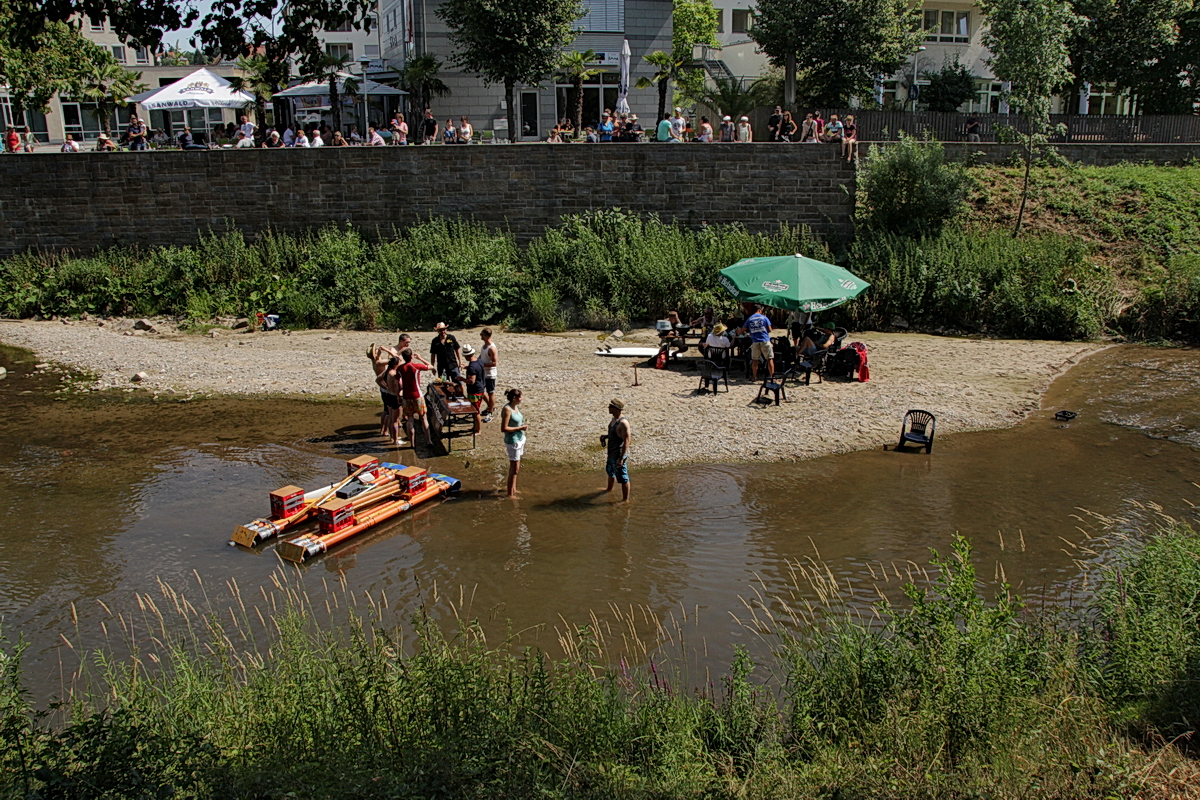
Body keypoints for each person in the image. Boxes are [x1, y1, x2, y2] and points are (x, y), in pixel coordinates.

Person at [397, 347, 433, 446]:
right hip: (417, 395)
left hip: (406, 396)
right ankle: (429, 441)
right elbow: (430, 366)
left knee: (410, 419)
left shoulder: (400, 368)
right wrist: (420, 358)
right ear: (411, 356)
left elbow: (398, 382)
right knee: (423, 418)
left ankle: (412, 443)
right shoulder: (415, 366)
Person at [600, 398, 631, 502]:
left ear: (617, 409)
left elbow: (626, 441)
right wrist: (606, 436)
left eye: (611, 406)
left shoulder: (623, 423)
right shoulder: (614, 419)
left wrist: (621, 458)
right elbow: (616, 434)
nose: (608, 408)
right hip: (611, 453)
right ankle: (609, 489)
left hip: (619, 454)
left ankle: (625, 500)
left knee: (623, 478)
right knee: (610, 472)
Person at [500, 388, 527, 497]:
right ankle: (510, 495)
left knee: (516, 468)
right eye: (520, 397)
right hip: (513, 441)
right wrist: (520, 428)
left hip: (520, 439)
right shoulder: (507, 409)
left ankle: (513, 489)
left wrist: (520, 429)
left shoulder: (514, 407)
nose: (522, 399)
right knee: (514, 469)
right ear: (515, 398)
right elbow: (504, 428)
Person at [375, 356, 406, 446]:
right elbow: (398, 386)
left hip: (388, 395)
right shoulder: (395, 374)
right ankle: (396, 440)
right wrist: (400, 396)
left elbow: (377, 380)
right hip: (395, 397)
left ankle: (392, 437)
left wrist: (386, 387)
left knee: (391, 417)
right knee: (396, 419)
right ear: (396, 364)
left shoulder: (387, 371)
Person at [740, 303, 773, 381]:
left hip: (755, 341)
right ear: (760, 310)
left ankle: (754, 377)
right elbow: (770, 329)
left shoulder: (750, 319)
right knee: (769, 359)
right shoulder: (764, 318)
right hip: (765, 340)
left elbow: (743, 329)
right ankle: (772, 377)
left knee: (755, 360)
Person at [461, 344, 486, 432]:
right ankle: (475, 426)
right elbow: (477, 369)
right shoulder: (479, 361)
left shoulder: (472, 367)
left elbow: (471, 381)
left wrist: (462, 379)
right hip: (481, 389)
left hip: (474, 391)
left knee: (476, 411)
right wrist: (467, 367)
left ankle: (478, 430)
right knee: (475, 410)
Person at [478, 328, 498, 422]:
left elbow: (494, 363)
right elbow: (482, 356)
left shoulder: (492, 348)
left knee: (490, 392)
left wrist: (482, 365)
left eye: (482, 334)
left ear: (486, 336)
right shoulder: (484, 346)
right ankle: (490, 407)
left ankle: (491, 412)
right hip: (483, 373)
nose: (480, 336)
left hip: (490, 374)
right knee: (481, 391)